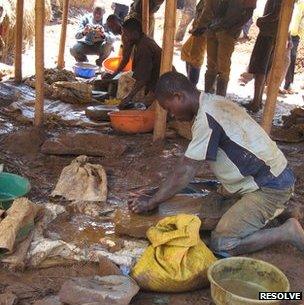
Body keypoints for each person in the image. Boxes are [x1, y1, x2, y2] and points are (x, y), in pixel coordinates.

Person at [129, 71, 304, 257]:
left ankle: (287, 232)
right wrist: (156, 191)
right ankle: (279, 210)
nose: (172, 115)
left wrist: (152, 201)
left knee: (222, 243)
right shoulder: (211, 102)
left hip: (269, 187)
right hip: (267, 177)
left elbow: (186, 169)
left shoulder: (207, 118)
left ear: (178, 96)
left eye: (170, 109)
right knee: (208, 194)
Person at [194, 0, 256, 96]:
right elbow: (208, 6)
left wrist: (233, 29)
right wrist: (201, 25)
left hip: (228, 30)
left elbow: (249, 11)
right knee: (211, 64)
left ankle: (219, 97)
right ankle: (208, 95)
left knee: (223, 65)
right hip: (213, 28)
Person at [104, 18, 162, 109]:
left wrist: (129, 97)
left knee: (141, 108)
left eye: (126, 34)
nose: (124, 37)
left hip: (161, 83)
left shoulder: (144, 47)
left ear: (135, 33)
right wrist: (113, 74)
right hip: (154, 80)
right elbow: (125, 58)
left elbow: (143, 79)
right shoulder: (139, 41)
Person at [246, 0, 282, 113]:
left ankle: (256, 102)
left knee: (260, 68)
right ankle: (258, 101)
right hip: (272, 35)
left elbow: (276, 13)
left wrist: (262, 19)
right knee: (264, 69)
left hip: (268, 35)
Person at [181, 0, 207, 86]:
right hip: (198, 29)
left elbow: (209, 15)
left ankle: (192, 84)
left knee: (195, 57)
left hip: (203, 30)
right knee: (186, 50)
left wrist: (199, 28)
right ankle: (190, 82)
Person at [284, 0, 304, 93]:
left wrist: (299, 33)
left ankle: (288, 84)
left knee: (291, 58)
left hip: (294, 34)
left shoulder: (302, 3)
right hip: (283, 30)